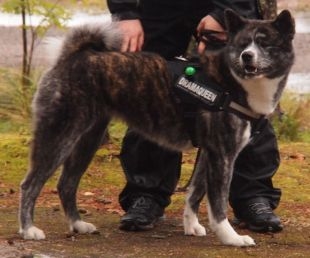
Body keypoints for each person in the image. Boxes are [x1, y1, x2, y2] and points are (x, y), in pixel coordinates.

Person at [107, 0, 283, 233]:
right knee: (151, 92)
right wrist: (125, 12)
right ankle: (146, 193)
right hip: (156, 8)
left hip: (231, 5)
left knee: (243, 96)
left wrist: (224, 13)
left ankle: (252, 194)